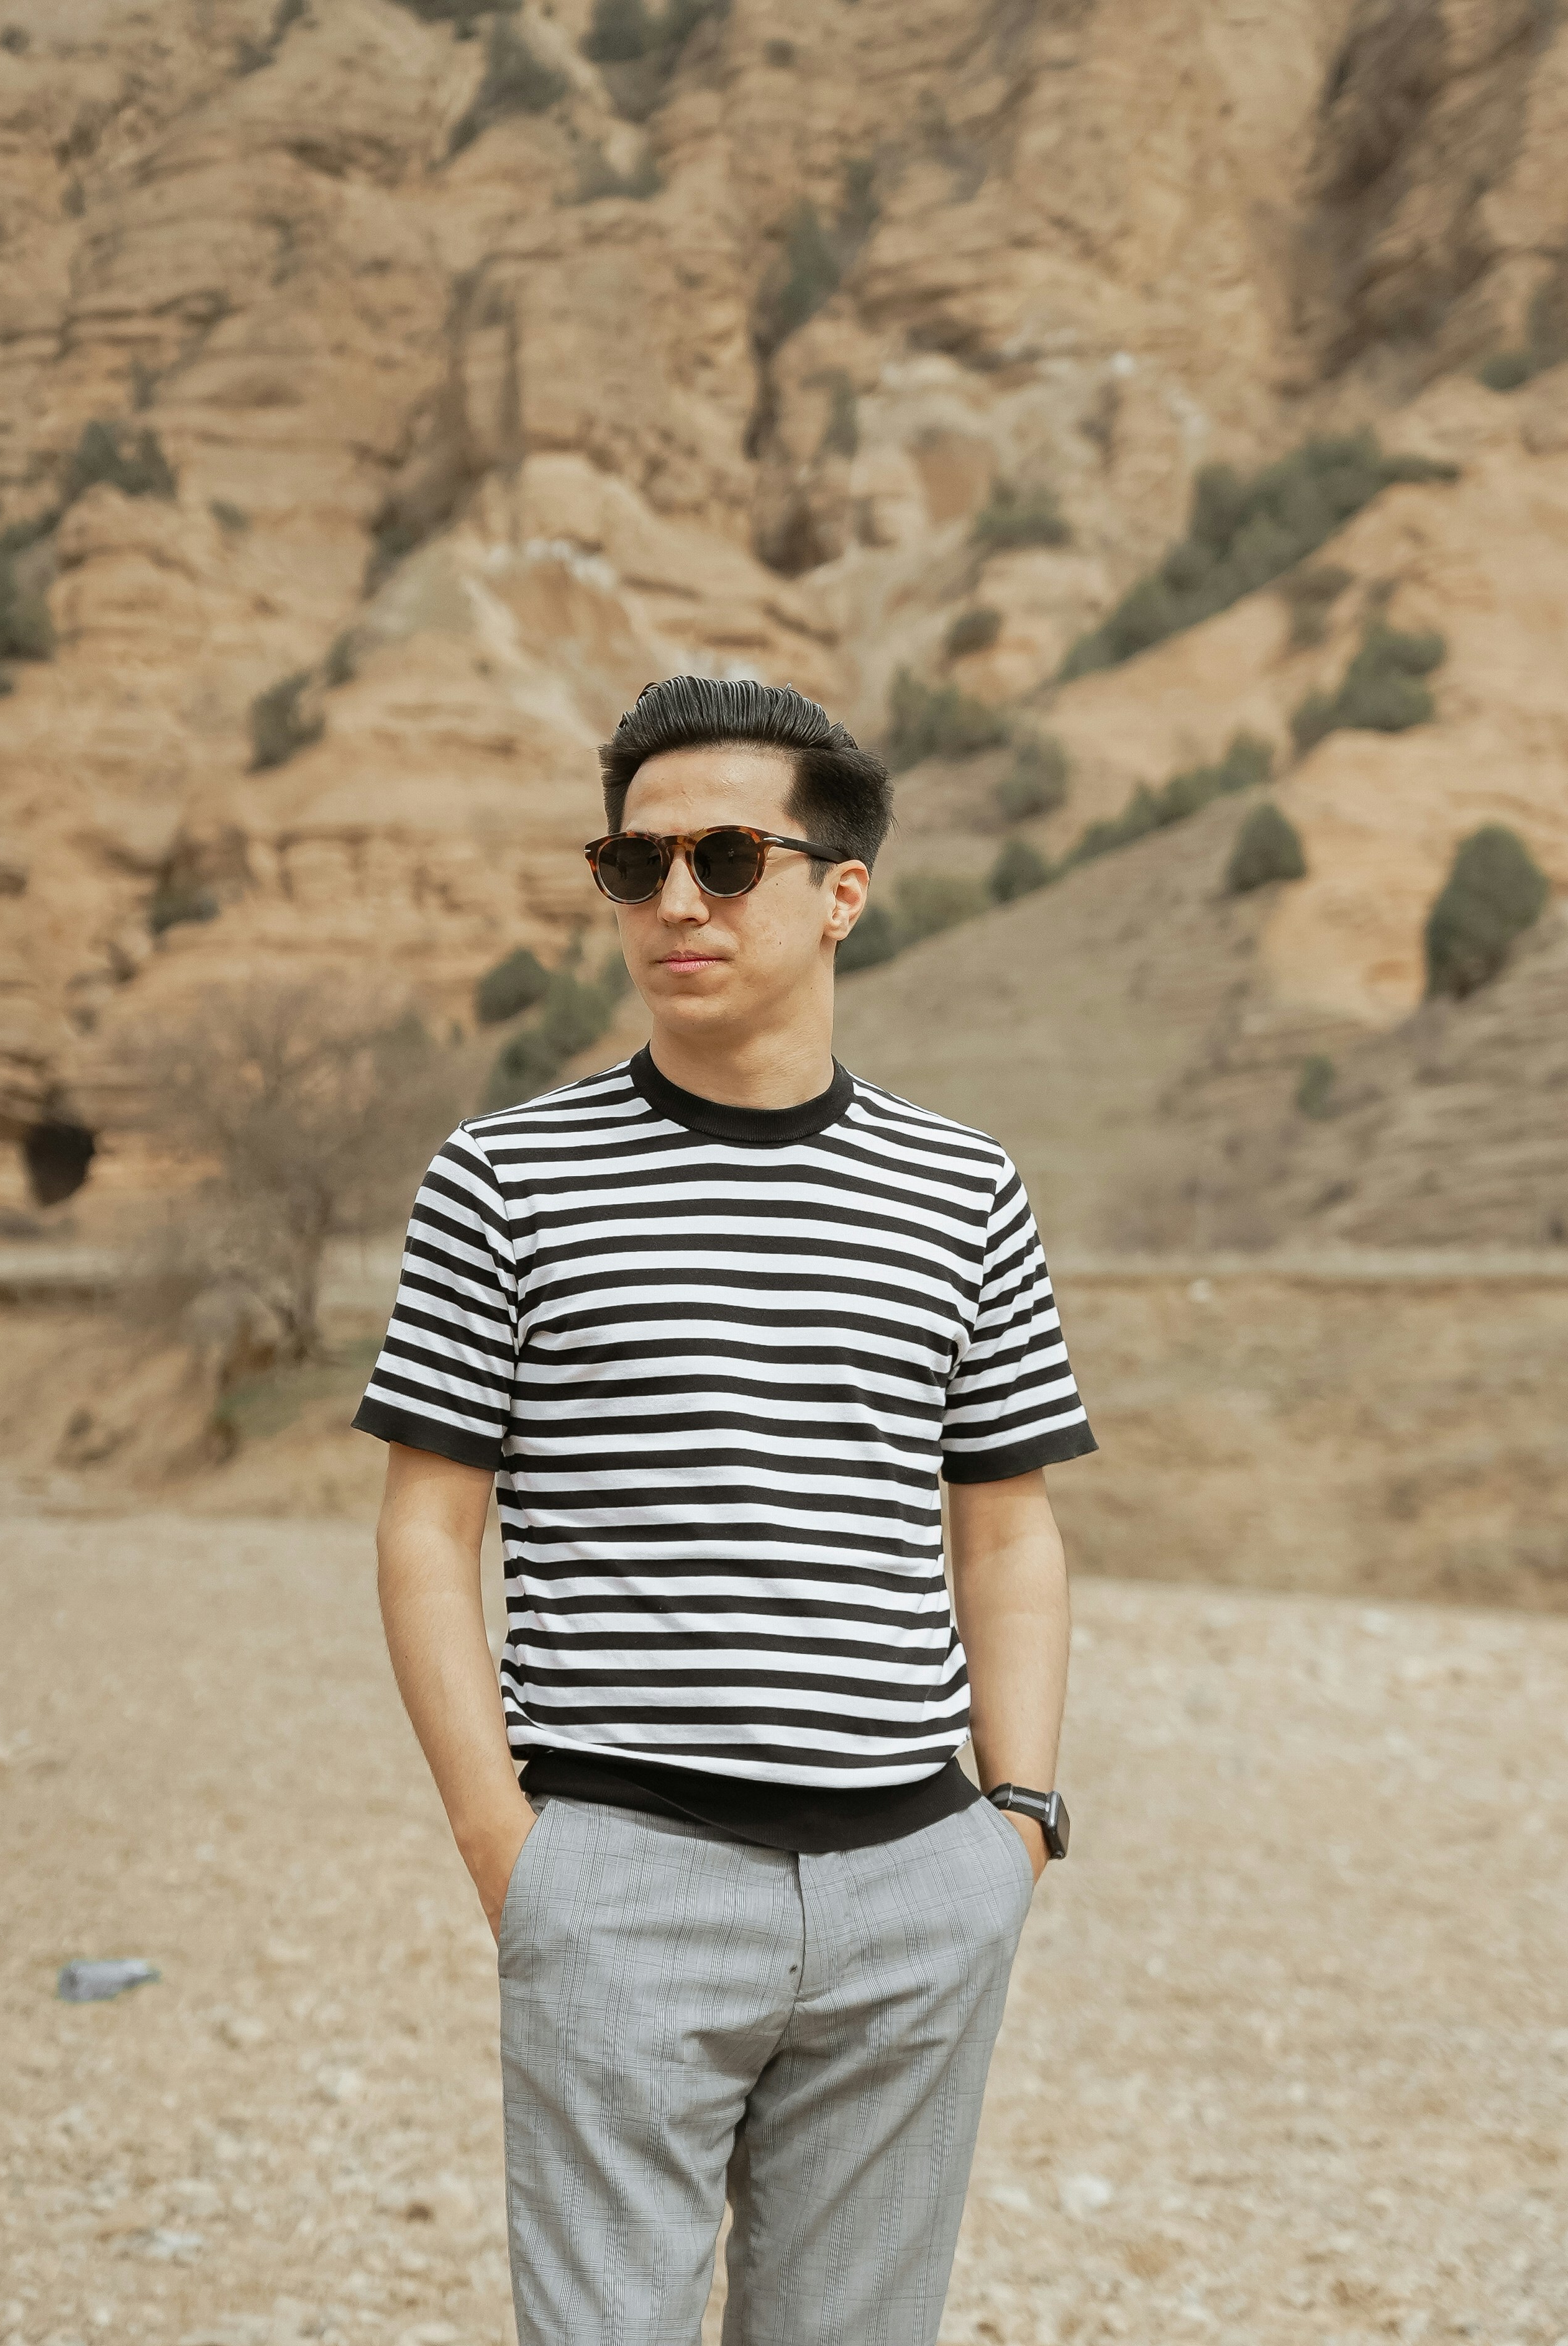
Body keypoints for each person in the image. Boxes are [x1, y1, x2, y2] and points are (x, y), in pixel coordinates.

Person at [356, 676, 1096, 2346]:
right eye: (636, 864)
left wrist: (1018, 1825)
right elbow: (424, 1532)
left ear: (843, 892)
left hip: (919, 1884)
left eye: (727, 857)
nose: (675, 900)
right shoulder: (503, 1179)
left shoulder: (965, 1188)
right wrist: (509, 1853)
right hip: (618, 1880)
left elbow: (1008, 1526)